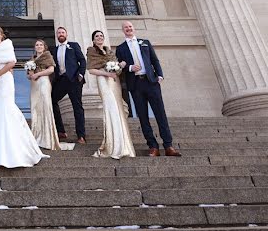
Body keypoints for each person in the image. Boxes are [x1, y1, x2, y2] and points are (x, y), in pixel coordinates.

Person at [0, 25, 47, 168]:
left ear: (2, 35)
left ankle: (14, 152)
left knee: (5, 110)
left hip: (4, 81)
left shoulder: (7, 45)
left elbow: (12, 63)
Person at [115, 21, 181, 157]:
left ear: (133, 29)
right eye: (126, 27)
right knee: (143, 117)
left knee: (160, 114)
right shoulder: (120, 48)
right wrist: (129, 68)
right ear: (123, 30)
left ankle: (168, 145)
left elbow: (154, 60)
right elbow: (120, 66)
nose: (128, 29)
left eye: (130, 27)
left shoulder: (145, 42)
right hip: (135, 85)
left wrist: (160, 75)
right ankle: (153, 146)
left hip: (151, 82)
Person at [87, 30, 135, 159]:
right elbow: (91, 70)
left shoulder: (109, 51)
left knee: (118, 108)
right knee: (111, 107)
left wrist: (120, 65)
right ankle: (112, 143)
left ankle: (123, 144)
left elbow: (117, 70)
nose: (99, 38)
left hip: (114, 81)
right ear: (93, 40)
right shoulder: (91, 51)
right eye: (97, 36)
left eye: (101, 36)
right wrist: (107, 74)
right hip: (103, 80)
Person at [26, 38, 68, 151]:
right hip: (34, 84)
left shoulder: (48, 56)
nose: (38, 46)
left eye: (40, 45)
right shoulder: (32, 59)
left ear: (44, 47)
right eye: (37, 45)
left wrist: (38, 74)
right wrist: (30, 75)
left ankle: (48, 137)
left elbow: (51, 69)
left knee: (45, 106)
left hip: (44, 82)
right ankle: (37, 135)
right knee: (36, 108)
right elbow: (29, 75)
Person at [51, 26, 87, 144]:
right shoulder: (54, 50)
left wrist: (80, 75)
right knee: (52, 100)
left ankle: (81, 135)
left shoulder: (73, 45)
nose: (61, 34)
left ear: (66, 34)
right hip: (61, 80)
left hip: (74, 80)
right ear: (57, 36)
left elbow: (82, 60)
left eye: (62, 32)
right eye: (59, 33)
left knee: (77, 107)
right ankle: (61, 131)